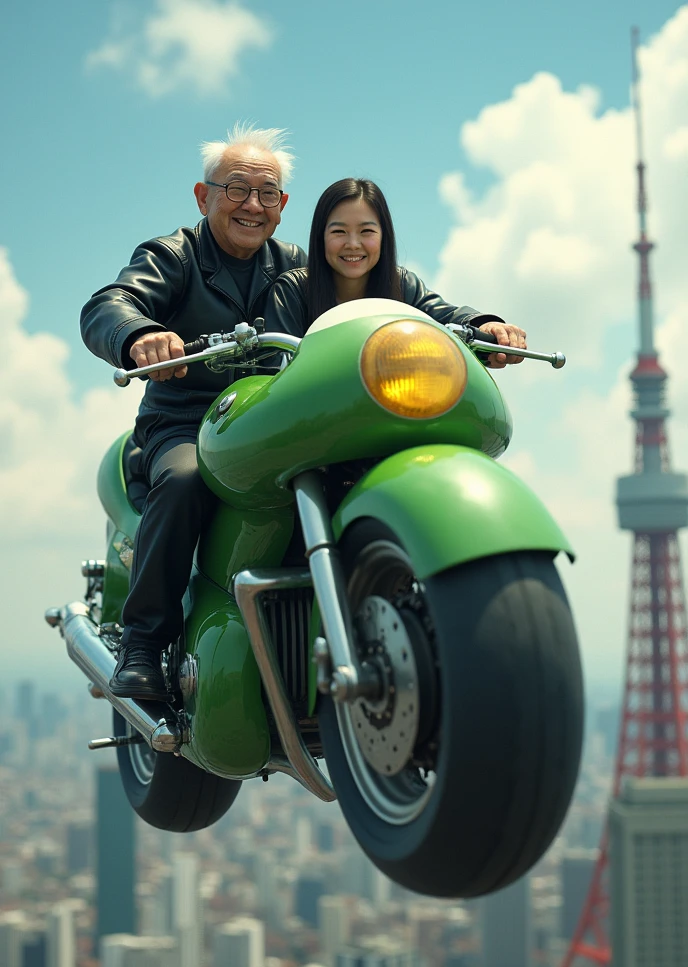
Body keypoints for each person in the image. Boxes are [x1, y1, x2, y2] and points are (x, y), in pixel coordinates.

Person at [81, 124, 306, 701]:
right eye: (236, 189)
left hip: (268, 426)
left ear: (282, 208)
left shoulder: (298, 266)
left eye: (268, 193)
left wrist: (475, 324)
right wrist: (140, 334)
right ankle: (143, 644)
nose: (252, 205)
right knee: (183, 481)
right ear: (204, 197)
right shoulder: (173, 255)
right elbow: (110, 303)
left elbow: (379, 290)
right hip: (185, 422)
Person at [264, 178, 527, 367]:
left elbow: (447, 316)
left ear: (384, 236)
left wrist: (485, 325)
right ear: (320, 237)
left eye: (367, 231)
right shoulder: (292, 290)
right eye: (338, 232)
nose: (353, 243)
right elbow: (278, 369)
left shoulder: (403, 284)